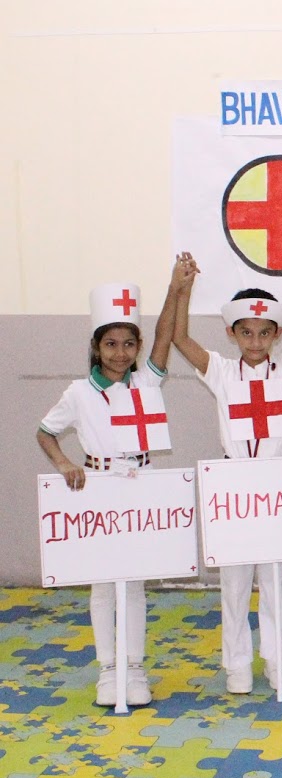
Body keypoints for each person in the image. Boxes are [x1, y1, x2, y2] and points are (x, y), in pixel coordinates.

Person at [172, 253, 282, 694]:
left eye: (265, 332)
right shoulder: (221, 371)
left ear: (277, 334)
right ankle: (237, 665)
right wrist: (183, 289)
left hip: (277, 484)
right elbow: (181, 338)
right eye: (246, 332)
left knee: (278, 579)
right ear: (232, 333)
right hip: (233, 486)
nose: (256, 341)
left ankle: (279, 660)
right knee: (235, 582)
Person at [36, 258, 188, 707]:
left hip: (140, 483)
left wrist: (175, 289)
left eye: (128, 344)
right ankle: (108, 669)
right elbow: (45, 432)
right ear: (96, 347)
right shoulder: (78, 393)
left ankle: (135, 667)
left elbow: (165, 335)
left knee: (135, 581)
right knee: (103, 584)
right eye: (110, 344)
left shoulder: (147, 382)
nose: (120, 353)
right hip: (99, 487)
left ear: (137, 347)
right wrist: (65, 463)